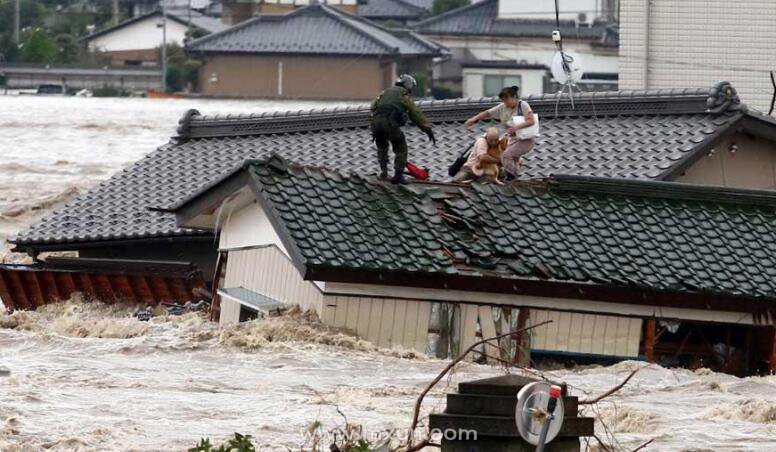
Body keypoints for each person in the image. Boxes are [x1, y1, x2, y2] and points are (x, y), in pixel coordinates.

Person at [370, 74, 436, 185]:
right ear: (408, 85)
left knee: (382, 146)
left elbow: (372, 107)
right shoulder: (402, 95)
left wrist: (374, 123)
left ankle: (384, 171)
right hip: (389, 122)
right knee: (400, 146)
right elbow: (415, 113)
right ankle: (398, 175)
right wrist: (427, 129)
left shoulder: (384, 93)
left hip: (375, 122)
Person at [464, 85, 535, 178]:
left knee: (506, 155)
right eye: (503, 101)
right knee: (513, 158)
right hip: (513, 139)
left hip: (525, 139)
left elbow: (531, 120)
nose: (505, 103)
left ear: (514, 97)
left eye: (507, 100)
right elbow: (487, 113)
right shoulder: (502, 107)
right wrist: (474, 119)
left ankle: (511, 176)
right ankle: (514, 177)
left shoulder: (523, 105)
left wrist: (516, 127)